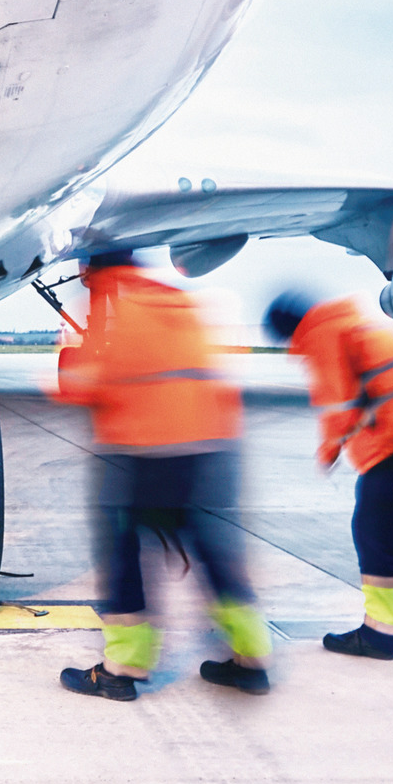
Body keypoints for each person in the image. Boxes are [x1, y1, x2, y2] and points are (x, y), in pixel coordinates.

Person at [55, 251, 272, 700]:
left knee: (123, 554)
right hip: (211, 450)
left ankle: (122, 668)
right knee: (215, 555)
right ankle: (251, 660)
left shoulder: (114, 305)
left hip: (146, 453)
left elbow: (92, 383)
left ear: (90, 269)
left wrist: (67, 376)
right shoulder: (177, 300)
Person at [265, 291, 393, 660]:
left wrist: (328, 452)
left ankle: (381, 633)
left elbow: (338, 404)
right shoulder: (350, 323)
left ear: (289, 330)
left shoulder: (320, 335)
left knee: (375, 533)